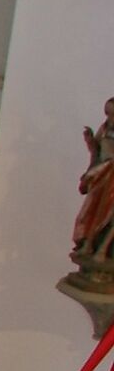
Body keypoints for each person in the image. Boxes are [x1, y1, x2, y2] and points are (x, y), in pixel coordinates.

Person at [75, 99, 114, 266]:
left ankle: (102, 250)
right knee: (92, 211)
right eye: (107, 113)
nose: (110, 118)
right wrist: (90, 141)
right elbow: (96, 151)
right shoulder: (104, 129)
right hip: (101, 174)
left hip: (111, 178)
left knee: (108, 214)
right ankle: (88, 244)